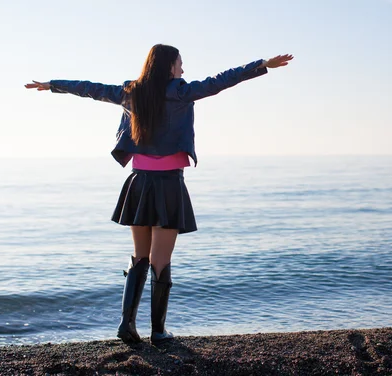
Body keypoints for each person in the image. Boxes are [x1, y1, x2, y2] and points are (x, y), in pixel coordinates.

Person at [25, 45, 293, 344]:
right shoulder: (181, 91)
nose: (182, 69)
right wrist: (261, 65)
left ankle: (126, 325)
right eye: (180, 63)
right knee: (160, 260)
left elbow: (92, 89)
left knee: (140, 257)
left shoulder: (131, 92)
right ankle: (158, 331)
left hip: (138, 183)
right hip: (168, 185)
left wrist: (54, 85)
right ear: (168, 66)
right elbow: (222, 80)